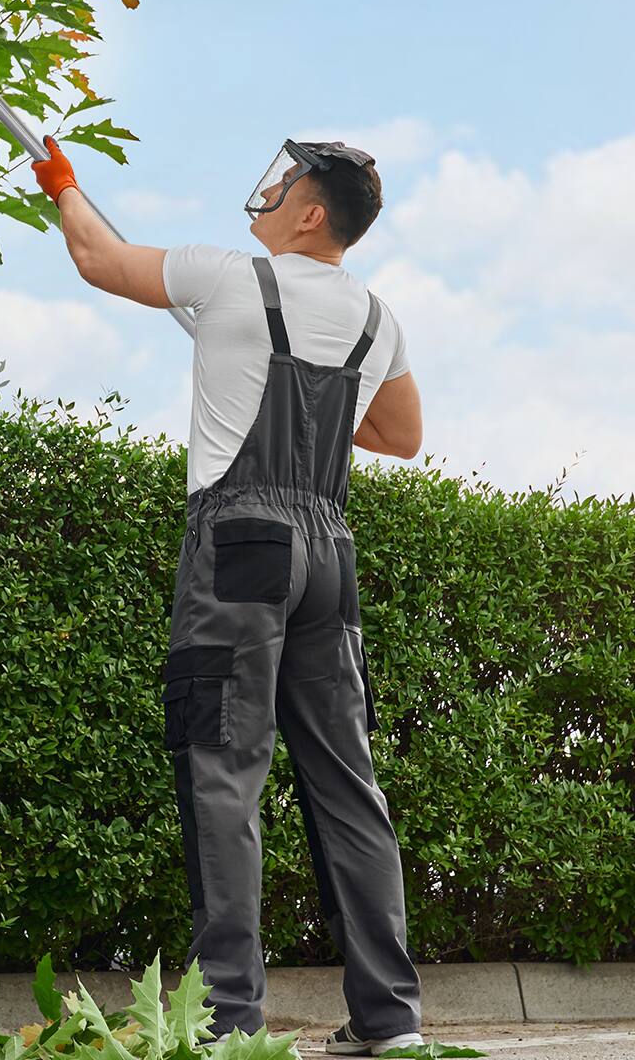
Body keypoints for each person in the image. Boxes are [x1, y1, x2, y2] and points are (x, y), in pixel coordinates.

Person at [31, 135, 424, 1056]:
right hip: (329, 552)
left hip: (242, 543)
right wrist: (315, 397)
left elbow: (99, 259)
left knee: (222, 772)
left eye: (286, 184)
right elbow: (400, 435)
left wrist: (64, 185)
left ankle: (230, 1024)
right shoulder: (377, 318)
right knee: (346, 783)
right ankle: (391, 1023)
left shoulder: (227, 277)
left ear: (312, 213)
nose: (270, 190)